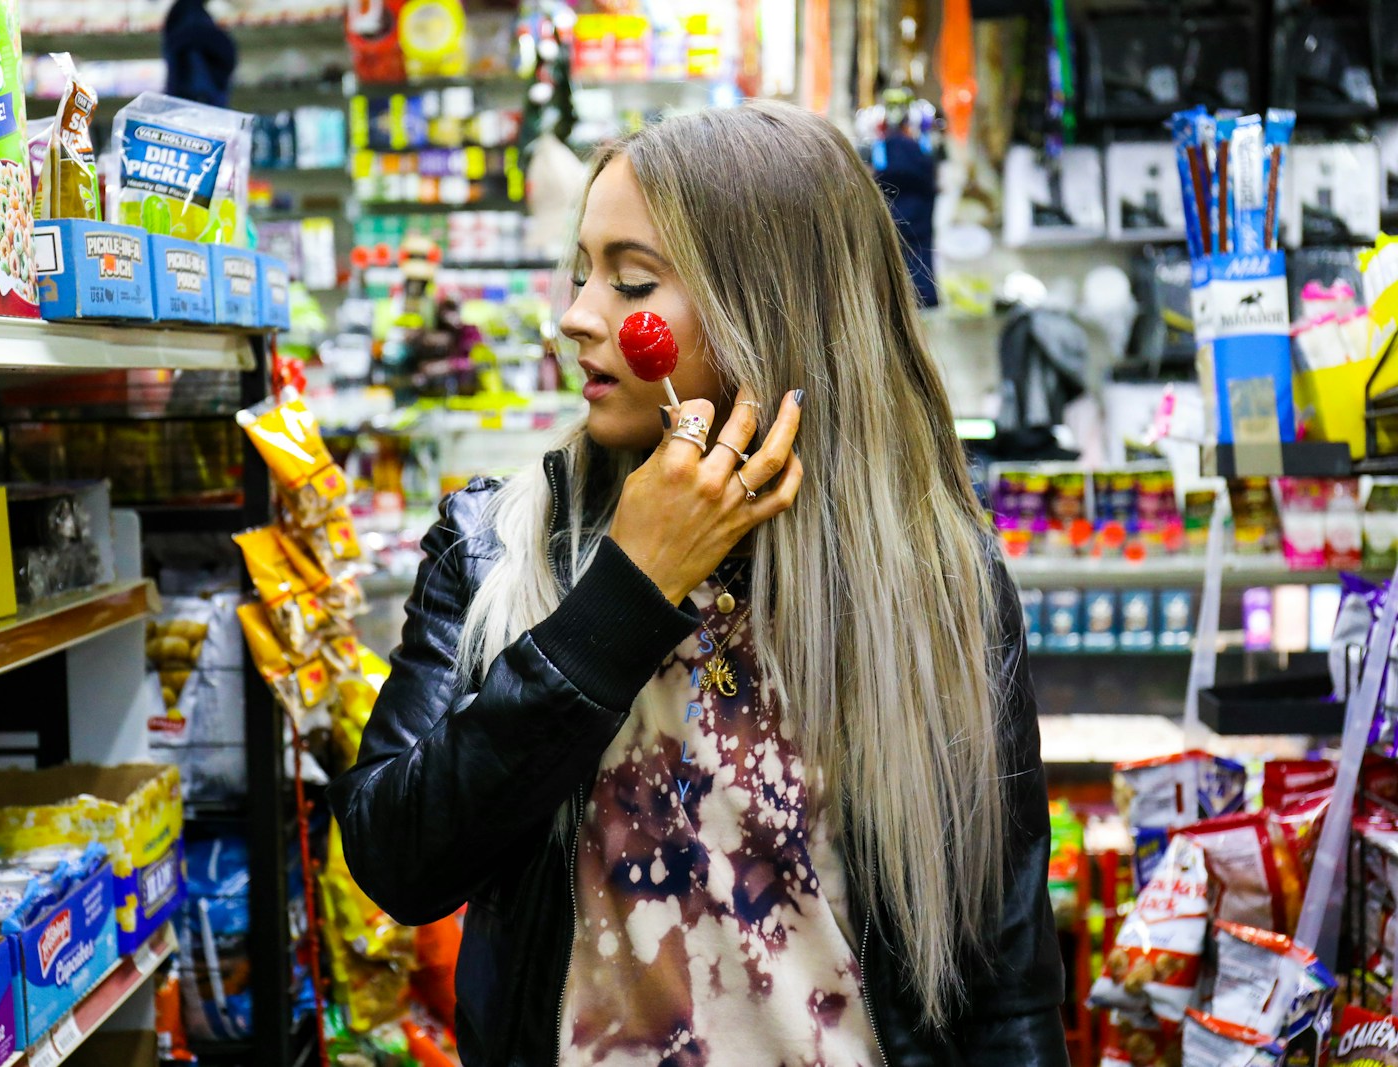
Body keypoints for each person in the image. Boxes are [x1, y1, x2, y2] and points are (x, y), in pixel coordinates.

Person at [330, 100, 1067, 1067]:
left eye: (631, 280)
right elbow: (398, 859)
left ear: (766, 307)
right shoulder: (495, 548)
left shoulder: (936, 585)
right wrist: (623, 594)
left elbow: (1005, 983)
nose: (576, 315)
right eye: (581, 272)